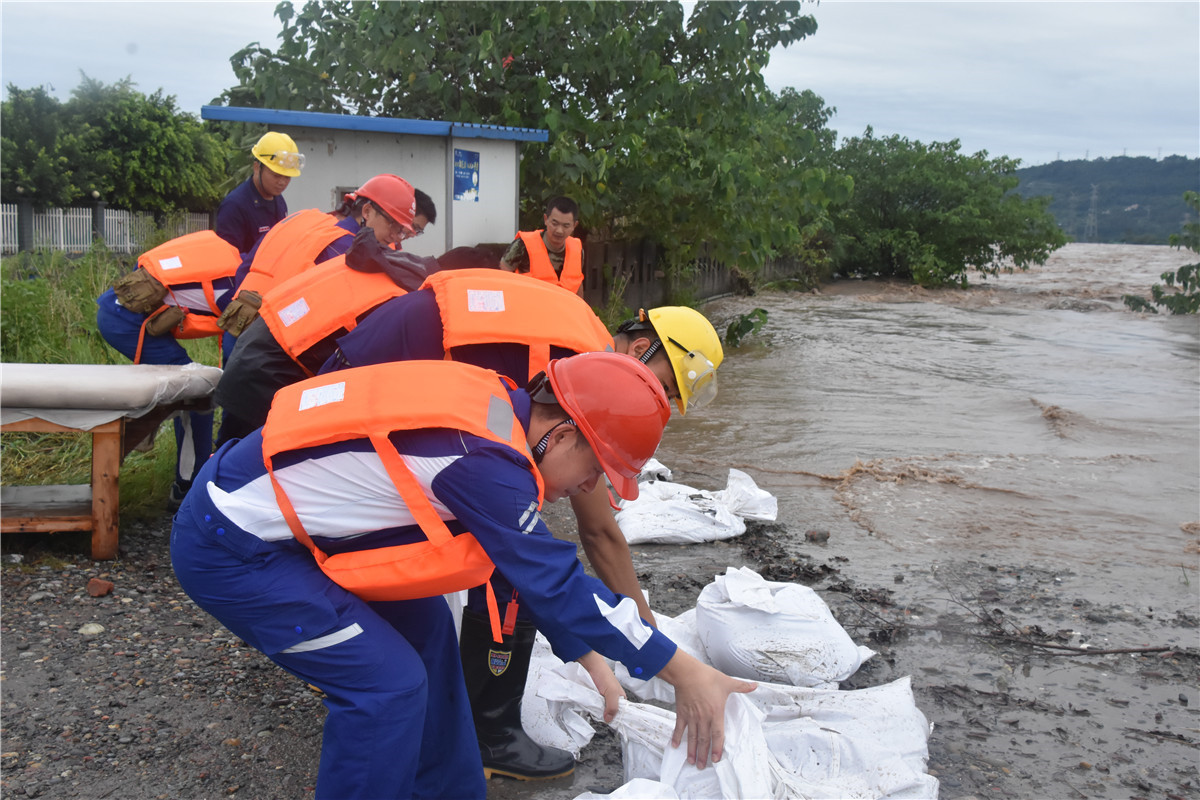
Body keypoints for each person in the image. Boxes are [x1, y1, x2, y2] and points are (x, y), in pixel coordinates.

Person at [170, 352, 756, 799]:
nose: (587, 489)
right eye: (594, 471)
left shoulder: (502, 411)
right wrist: (685, 673)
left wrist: (586, 653)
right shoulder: (485, 463)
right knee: (386, 686)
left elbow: (529, 562)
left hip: (302, 534)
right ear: (568, 433)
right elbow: (553, 579)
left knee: (429, 640)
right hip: (234, 545)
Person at [321, 283, 725, 780]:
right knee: (504, 565)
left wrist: (599, 651)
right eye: (663, 390)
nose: (654, 405)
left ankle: (446, 726)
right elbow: (593, 535)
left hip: (361, 383)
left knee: (496, 558)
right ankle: (489, 729)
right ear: (643, 350)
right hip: (356, 408)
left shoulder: (579, 356)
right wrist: (657, 649)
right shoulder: (596, 382)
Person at [213, 232, 490, 444]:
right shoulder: (407, 298)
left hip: (255, 350)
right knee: (259, 474)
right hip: (269, 372)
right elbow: (363, 377)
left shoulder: (393, 263)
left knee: (227, 461)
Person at [213, 175, 429, 444]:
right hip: (276, 356)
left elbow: (246, 265)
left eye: (405, 232)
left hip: (247, 329)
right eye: (395, 227)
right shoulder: (350, 252)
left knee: (229, 441)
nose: (398, 239)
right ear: (367, 211)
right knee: (255, 449)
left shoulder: (311, 221)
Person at [96, 230, 243, 510]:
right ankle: (188, 486)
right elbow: (236, 350)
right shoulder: (235, 287)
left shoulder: (232, 262)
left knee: (197, 387)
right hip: (125, 323)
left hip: (115, 309)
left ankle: (188, 477)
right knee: (198, 390)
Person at [215, 131, 303, 256]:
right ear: (257, 167)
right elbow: (228, 258)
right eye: (276, 175)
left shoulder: (279, 201)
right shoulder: (234, 206)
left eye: (287, 177)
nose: (282, 182)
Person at [500, 195, 585, 294]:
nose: (559, 230)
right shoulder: (522, 245)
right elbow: (503, 278)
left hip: (563, 307)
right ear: (546, 219)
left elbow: (577, 283)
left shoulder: (577, 250)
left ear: (574, 226)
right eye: (555, 223)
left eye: (566, 226)